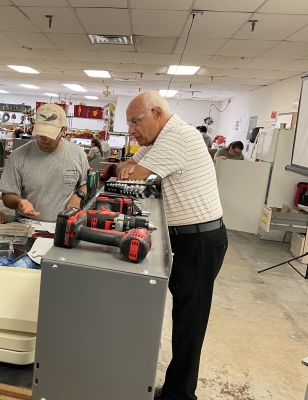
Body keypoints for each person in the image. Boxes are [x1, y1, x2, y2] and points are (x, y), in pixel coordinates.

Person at [117, 91, 228, 400]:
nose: (131, 131)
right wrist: (130, 165)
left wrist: (132, 168)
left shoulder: (177, 137)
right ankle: (175, 390)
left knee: (189, 324)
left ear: (157, 113)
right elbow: (128, 163)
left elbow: (134, 176)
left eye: (135, 122)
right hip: (185, 238)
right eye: (129, 123)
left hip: (199, 241)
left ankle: (180, 396)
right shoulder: (158, 139)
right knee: (183, 317)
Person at [0, 103, 88, 222]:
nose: (45, 140)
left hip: (67, 224)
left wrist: (78, 196)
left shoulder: (77, 153)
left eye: (50, 135)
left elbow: (85, 183)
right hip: (29, 224)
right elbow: (7, 195)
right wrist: (19, 202)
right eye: (41, 134)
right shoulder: (18, 156)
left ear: (63, 130)